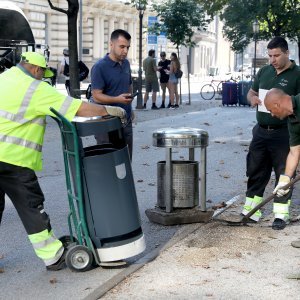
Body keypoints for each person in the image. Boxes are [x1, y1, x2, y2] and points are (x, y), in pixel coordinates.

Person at [0, 51, 126, 271]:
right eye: (43, 73)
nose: (43, 78)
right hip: (12, 159)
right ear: (36, 69)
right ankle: (53, 256)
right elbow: (78, 108)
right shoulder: (34, 88)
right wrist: (110, 110)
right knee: (31, 206)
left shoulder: (4, 78)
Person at [241, 36, 300, 230]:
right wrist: (253, 99)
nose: (272, 60)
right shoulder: (264, 72)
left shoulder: (297, 74)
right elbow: (251, 92)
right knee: (256, 170)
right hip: (261, 131)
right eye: (270, 56)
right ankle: (252, 211)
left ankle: (281, 215)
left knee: (284, 172)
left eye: (276, 55)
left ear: (286, 53)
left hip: (284, 132)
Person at [264, 88, 300, 247]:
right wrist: (284, 180)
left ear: (277, 104)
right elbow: (294, 152)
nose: (272, 115)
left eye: (271, 110)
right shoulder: (292, 120)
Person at [90, 29, 134, 159]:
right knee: (109, 162)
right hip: (106, 122)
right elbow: (96, 95)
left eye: (127, 47)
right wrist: (117, 99)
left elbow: (129, 84)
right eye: (122, 47)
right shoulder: (99, 67)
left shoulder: (126, 63)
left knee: (126, 160)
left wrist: (130, 106)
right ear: (111, 44)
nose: (125, 51)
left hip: (125, 119)